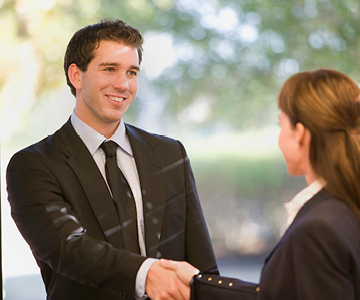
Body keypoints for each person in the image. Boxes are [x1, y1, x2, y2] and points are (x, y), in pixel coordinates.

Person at [6, 19, 218, 300]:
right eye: (110, 69)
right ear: (76, 76)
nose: (123, 84)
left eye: (132, 72)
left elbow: (201, 262)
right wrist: (147, 273)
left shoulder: (170, 154)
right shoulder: (33, 166)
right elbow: (68, 250)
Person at [161, 69, 360, 300]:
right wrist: (200, 285)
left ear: (300, 134)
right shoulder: (344, 206)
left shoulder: (318, 228)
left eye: (281, 126)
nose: (280, 138)